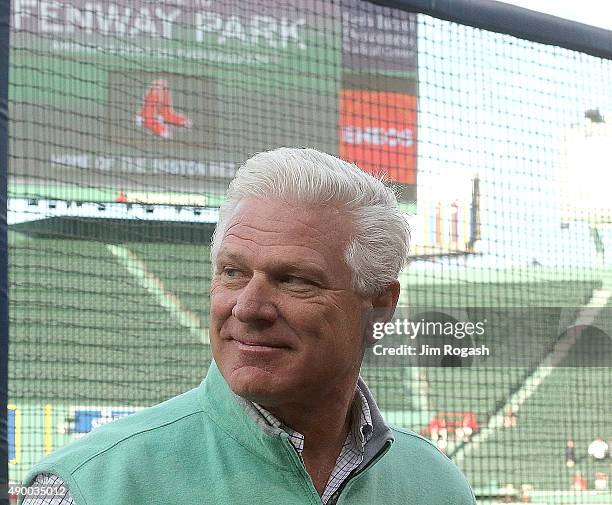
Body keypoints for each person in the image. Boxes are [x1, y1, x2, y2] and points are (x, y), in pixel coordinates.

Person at [20, 148, 476, 504]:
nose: (248, 307)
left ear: (380, 304)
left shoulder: (437, 486)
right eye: (233, 272)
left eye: (294, 279)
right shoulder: (86, 487)